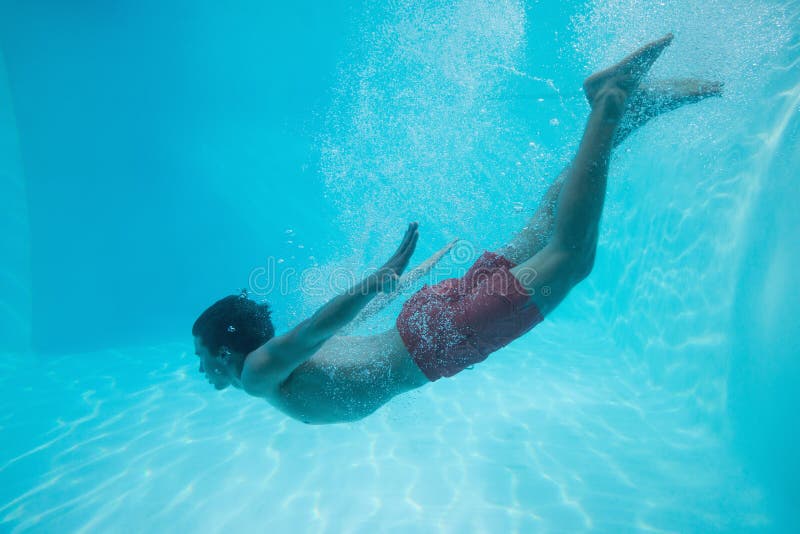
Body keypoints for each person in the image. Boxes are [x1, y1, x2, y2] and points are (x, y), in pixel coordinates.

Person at [192, 35, 721, 424]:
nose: (200, 368)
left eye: (200, 355)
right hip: (428, 323)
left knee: (571, 255)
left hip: (437, 343)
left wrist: (379, 279)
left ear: (225, 350)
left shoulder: (257, 373)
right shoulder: (283, 363)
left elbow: (314, 328)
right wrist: (409, 276)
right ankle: (626, 118)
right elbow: (337, 327)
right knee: (542, 225)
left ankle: (610, 103)